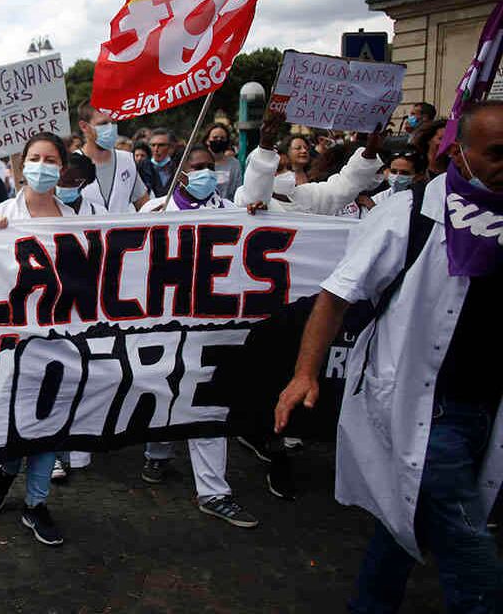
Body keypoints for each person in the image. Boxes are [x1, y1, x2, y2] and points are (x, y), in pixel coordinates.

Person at [275, 100, 503, 613]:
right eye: (497, 153)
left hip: (486, 408)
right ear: (460, 155)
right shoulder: (411, 213)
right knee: (472, 556)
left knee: (406, 521)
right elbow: (337, 295)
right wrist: (305, 373)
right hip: (428, 413)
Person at [137, 145, 261, 528]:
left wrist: (260, 217)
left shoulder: (232, 211)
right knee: (164, 390)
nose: (208, 173)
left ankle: (213, 492)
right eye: (198, 167)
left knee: (207, 401)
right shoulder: (154, 211)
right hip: (164, 320)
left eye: (211, 166)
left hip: (213, 323)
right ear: (182, 173)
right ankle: (157, 454)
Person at [0, 132, 83, 547]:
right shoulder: (0, 215)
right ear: (22, 165)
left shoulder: (76, 220)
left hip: (60, 340)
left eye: (51, 159)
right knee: (14, 419)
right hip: (12, 343)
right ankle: (6, 470)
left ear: (62, 168)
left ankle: (36, 503)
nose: (42, 166)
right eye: (35, 158)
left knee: (51, 423)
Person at [236, 110, 384, 216]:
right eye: (277, 169)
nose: (286, 174)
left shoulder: (306, 196)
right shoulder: (244, 197)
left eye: (288, 168)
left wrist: (369, 152)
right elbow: (254, 195)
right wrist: (265, 147)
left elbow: (343, 187)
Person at [76, 103, 148, 213]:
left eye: (113, 123)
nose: (110, 129)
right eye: (103, 124)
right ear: (84, 126)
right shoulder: (71, 163)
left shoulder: (127, 160)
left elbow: (143, 204)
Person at [204, 122, 243, 200]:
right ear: (207, 140)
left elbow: (238, 190)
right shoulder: (200, 163)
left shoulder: (234, 164)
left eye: (222, 138)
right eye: (215, 137)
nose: (219, 140)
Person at [137, 128, 176, 198]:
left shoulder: (179, 167)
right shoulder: (140, 168)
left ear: (171, 147)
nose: (156, 149)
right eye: (153, 145)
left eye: (161, 145)